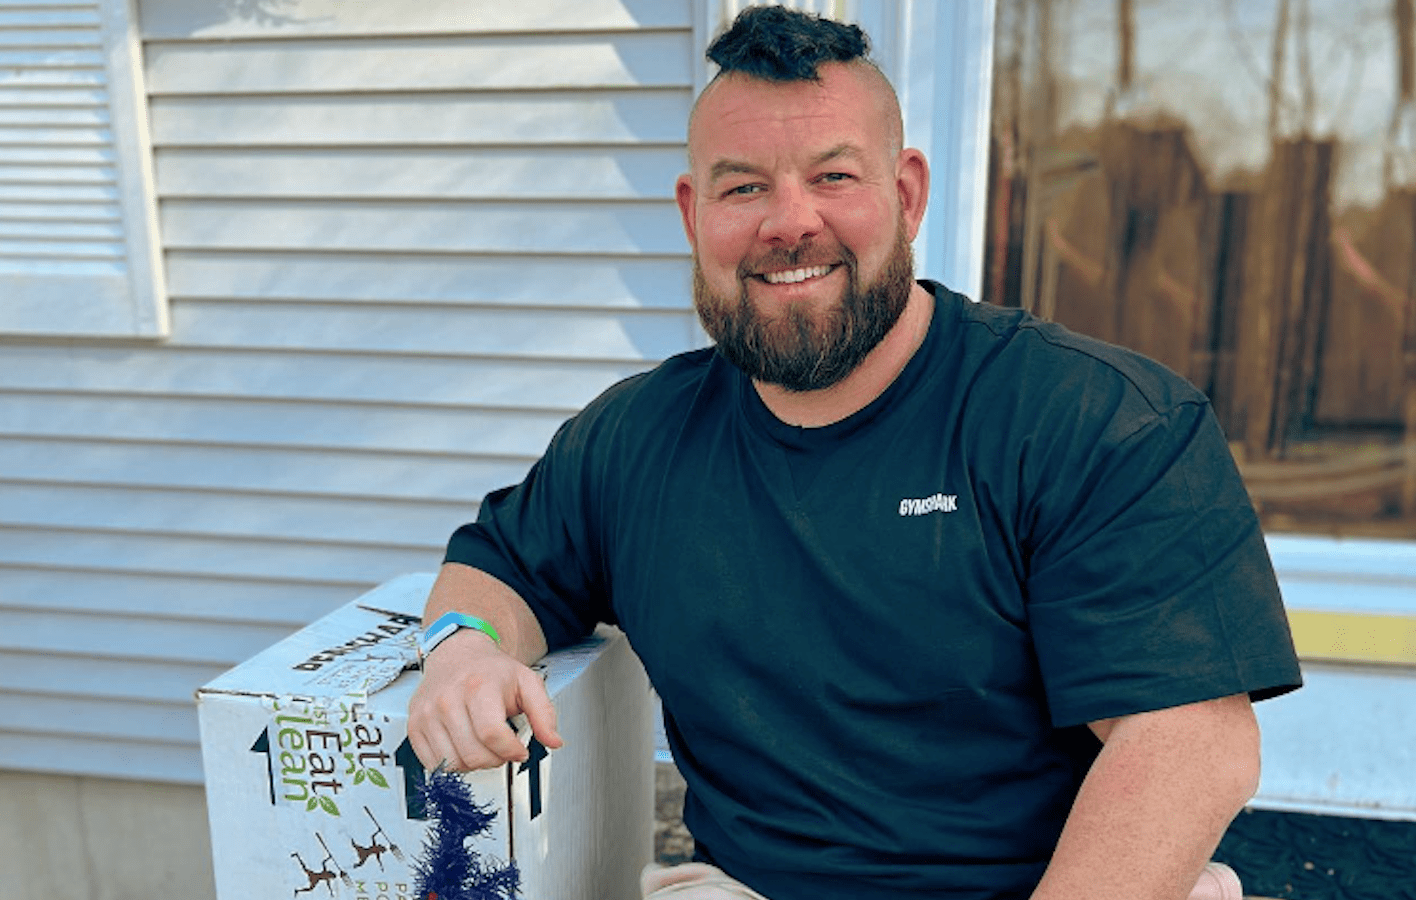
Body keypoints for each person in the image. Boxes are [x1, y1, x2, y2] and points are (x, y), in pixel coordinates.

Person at [406, 6, 1303, 899]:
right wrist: (463, 652)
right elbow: (497, 567)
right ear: (694, 213)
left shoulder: (1093, 420)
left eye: (834, 175)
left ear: (907, 193)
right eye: (743, 186)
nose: (790, 223)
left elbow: (1190, 744)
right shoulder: (636, 439)